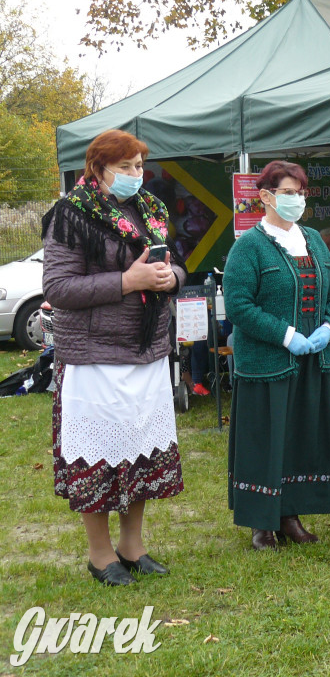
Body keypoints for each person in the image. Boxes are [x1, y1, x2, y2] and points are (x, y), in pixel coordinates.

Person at [41, 129, 185, 586]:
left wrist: (171, 279)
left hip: (146, 351)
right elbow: (58, 289)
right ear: (98, 167)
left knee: (141, 450)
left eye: (140, 166)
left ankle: (132, 546)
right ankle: (100, 554)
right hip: (94, 358)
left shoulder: (150, 211)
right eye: (125, 167)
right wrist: (128, 281)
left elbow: (173, 263)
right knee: (97, 459)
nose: (135, 175)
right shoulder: (70, 215)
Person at [223, 160, 330, 550]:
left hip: (312, 361)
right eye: (289, 192)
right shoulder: (248, 247)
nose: (297, 199)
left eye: (301, 192)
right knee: (266, 440)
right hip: (267, 363)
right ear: (266, 196)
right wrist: (287, 335)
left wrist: (329, 327)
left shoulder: (312, 239)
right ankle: (262, 523)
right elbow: (239, 305)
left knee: (298, 438)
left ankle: (290, 515)